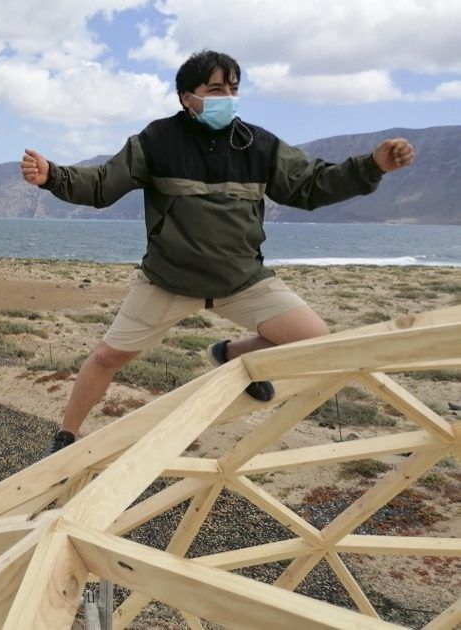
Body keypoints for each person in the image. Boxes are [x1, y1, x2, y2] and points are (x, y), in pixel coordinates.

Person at [20, 49, 415, 456]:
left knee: (313, 340)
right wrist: (53, 175)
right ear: (185, 97)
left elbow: (311, 184)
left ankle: (229, 354)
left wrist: (373, 166)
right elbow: (102, 184)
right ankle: (65, 436)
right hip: (168, 280)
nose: (226, 96)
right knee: (106, 357)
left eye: (232, 88)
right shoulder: (156, 141)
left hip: (242, 280)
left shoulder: (259, 145)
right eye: (214, 89)